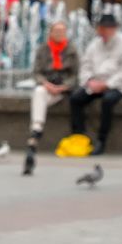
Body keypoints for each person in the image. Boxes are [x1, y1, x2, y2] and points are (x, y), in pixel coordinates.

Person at [69, 12, 122, 153]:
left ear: (114, 29)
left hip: (118, 86)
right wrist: (89, 81)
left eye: (107, 28)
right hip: (94, 84)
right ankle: (79, 136)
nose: (104, 32)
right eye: (102, 28)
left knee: (108, 101)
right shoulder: (94, 44)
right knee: (76, 98)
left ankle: (101, 140)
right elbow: (85, 66)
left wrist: (107, 84)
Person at [27, 19, 79, 150]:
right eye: (56, 31)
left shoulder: (72, 50)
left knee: (40, 97)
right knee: (39, 92)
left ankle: (36, 132)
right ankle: (37, 128)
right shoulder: (43, 49)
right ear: (50, 33)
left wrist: (64, 86)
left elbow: (76, 74)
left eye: (62, 31)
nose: (59, 34)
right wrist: (46, 84)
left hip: (64, 90)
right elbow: (36, 72)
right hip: (47, 86)